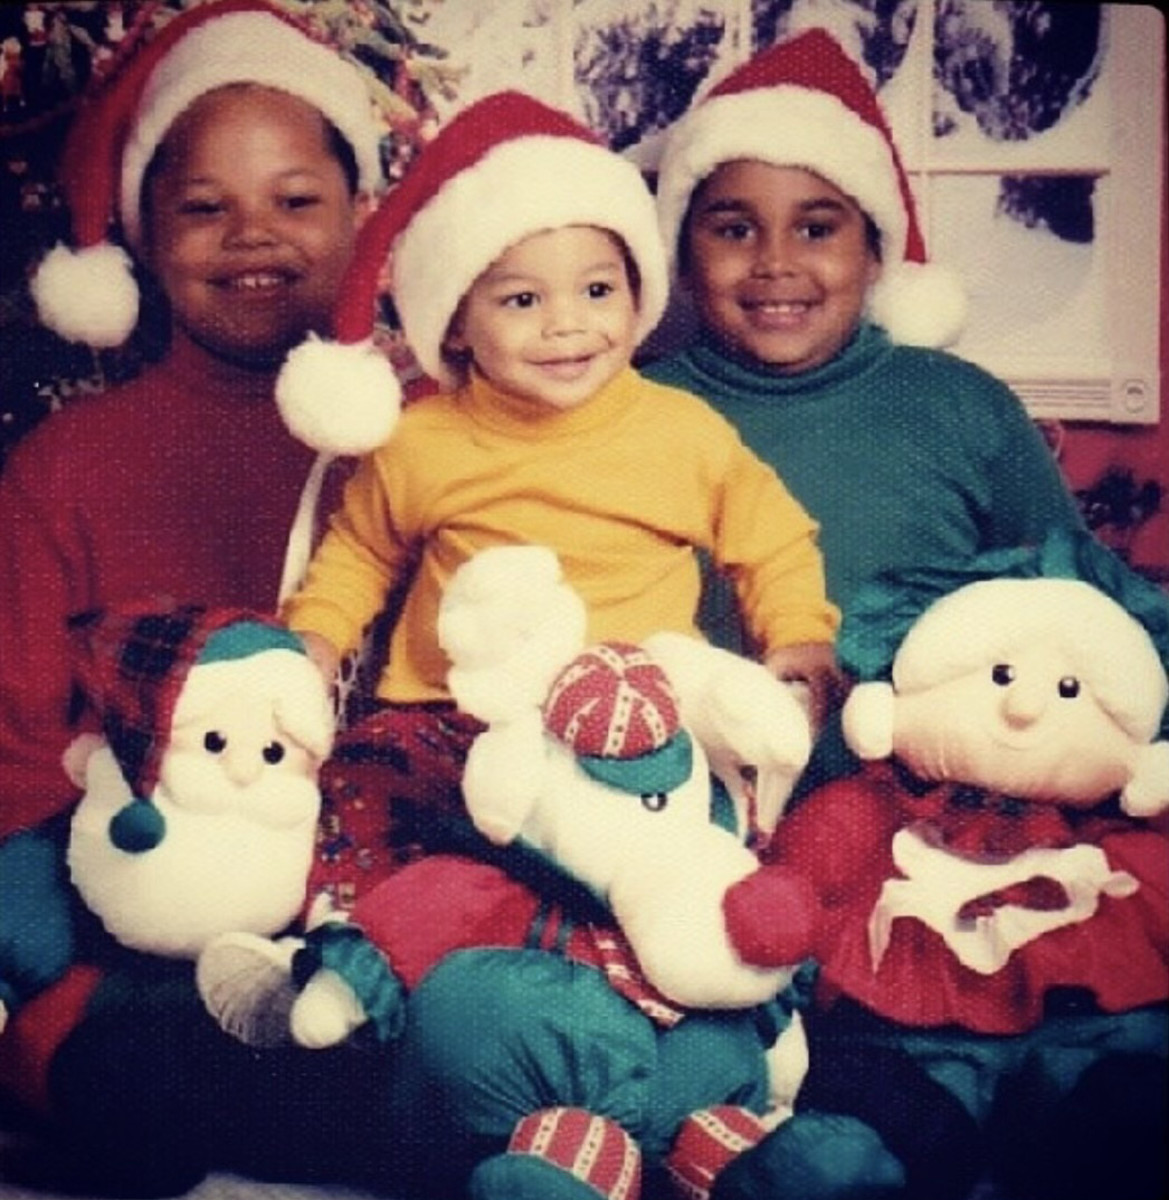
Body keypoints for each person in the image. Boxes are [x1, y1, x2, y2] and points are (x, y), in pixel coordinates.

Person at [0, 2, 405, 1194]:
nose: (251, 237)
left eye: (295, 198)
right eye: (203, 207)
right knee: (145, 1091)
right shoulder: (67, 465)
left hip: (372, 921)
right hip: (127, 933)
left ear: (361, 215)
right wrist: (80, 974)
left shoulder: (432, 443)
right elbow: (16, 758)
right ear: (141, 234)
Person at [275, 87, 841, 907]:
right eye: (522, 300)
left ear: (637, 296)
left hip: (635, 718)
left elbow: (772, 542)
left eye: (597, 291)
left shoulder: (681, 432)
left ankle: (624, 934)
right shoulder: (421, 440)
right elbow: (359, 553)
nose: (567, 325)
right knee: (373, 797)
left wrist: (798, 636)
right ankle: (360, 935)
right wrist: (317, 640)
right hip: (450, 711)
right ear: (455, 322)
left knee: (661, 851)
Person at [643, 27, 1085, 802]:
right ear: (681, 256)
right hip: (677, 805)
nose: (775, 263)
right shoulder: (630, 410)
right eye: (733, 230)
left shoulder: (959, 404)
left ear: (873, 253)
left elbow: (1077, 608)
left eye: (816, 230)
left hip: (923, 799)